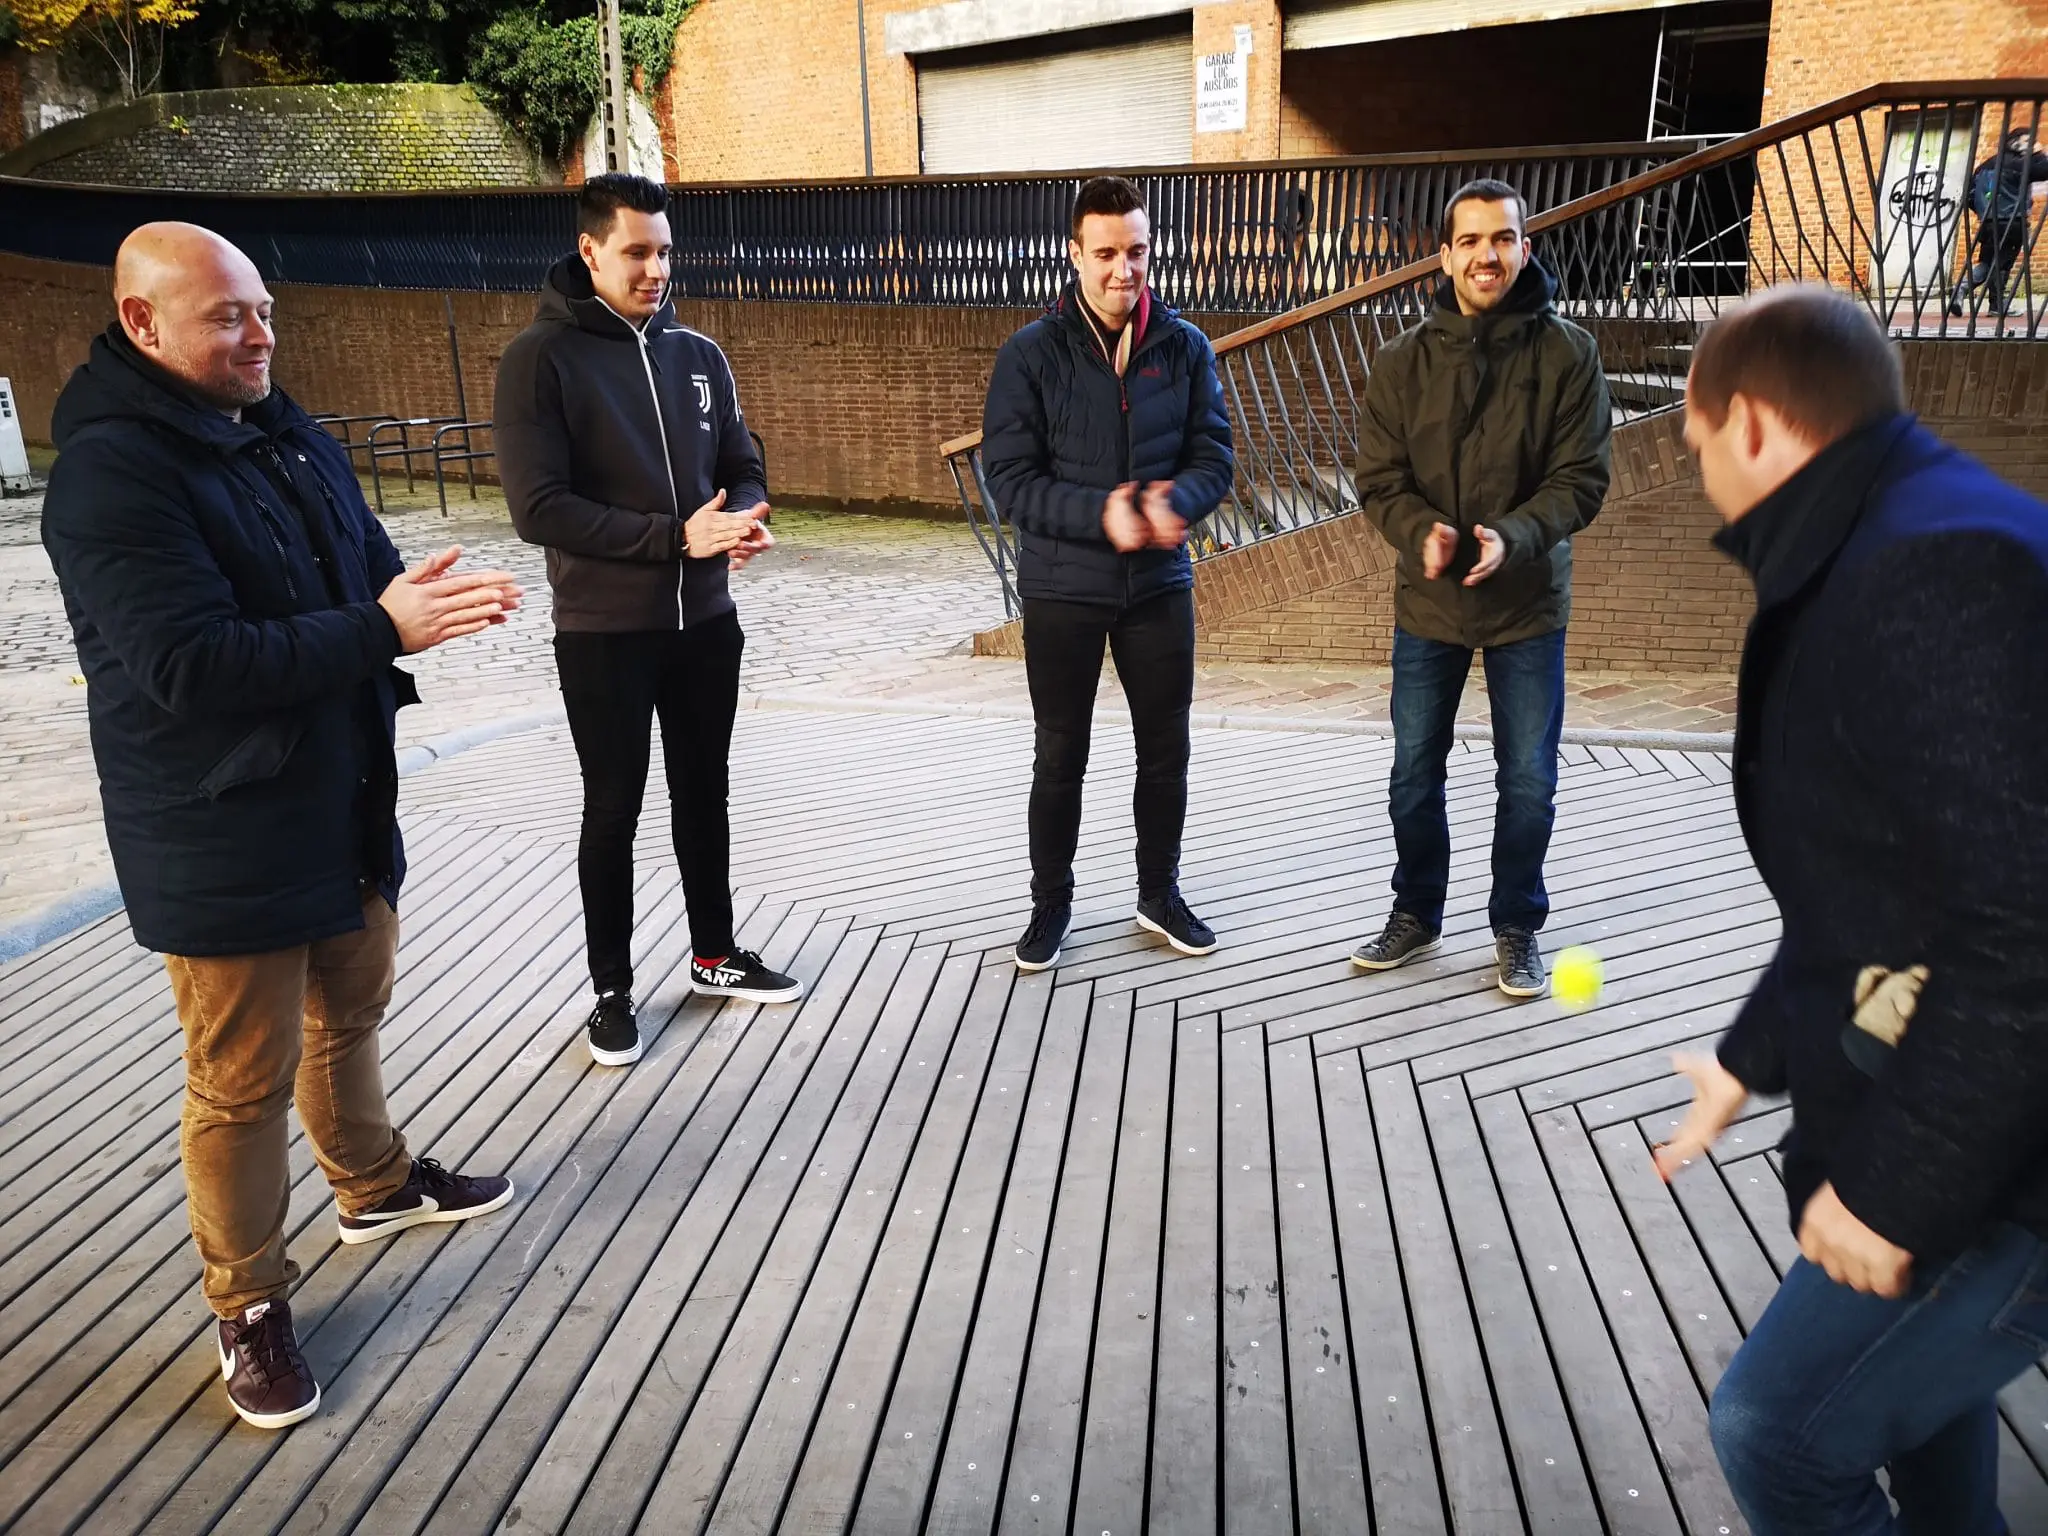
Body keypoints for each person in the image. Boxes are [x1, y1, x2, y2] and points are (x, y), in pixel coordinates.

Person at [40, 223, 521, 1430]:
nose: (260, 335)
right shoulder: (110, 473)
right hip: (219, 826)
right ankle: (247, 1302)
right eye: (228, 317)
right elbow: (190, 666)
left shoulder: (279, 424)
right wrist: (384, 629)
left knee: (348, 1007)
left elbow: (364, 562)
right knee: (240, 1082)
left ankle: (370, 1184)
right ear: (144, 323)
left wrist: (410, 596)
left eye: (263, 310)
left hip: (340, 790)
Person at [1657, 285, 2048, 1535]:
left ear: (1752, 422)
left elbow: (2025, 930)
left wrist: (1891, 1194)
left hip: (2002, 1154)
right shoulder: (1900, 534)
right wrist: (1748, 1055)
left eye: (1697, 444)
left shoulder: (1932, 571)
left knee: (1775, 1434)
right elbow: (1885, 889)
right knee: (1913, 1426)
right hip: (1966, 1108)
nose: (1702, 477)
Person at [497, 172, 802, 1069]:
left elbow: (743, 462)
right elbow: (538, 508)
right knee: (613, 808)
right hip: (604, 633)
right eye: (637, 252)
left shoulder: (698, 354)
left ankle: (714, 954)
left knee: (705, 793)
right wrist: (676, 538)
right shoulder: (539, 360)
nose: (656, 269)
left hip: (706, 624)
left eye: (665, 252)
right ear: (590, 251)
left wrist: (743, 518)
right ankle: (611, 991)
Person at [1348, 178, 1612, 998]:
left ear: (1525, 248)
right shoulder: (1401, 361)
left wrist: (1516, 536)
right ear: (1445, 256)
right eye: (1469, 241)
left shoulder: (1570, 353)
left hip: (1527, 603)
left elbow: (1582, 479)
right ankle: (1416, 913)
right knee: (1411, 776)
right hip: (1429, 605)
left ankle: (1516, 924)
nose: (1486, 255)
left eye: (1501, 239)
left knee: (1528, 781)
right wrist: (1416, 530)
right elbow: (1379, 479)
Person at [979, 175, 1235, 972]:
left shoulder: (1185, 348)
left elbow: (1215, 459)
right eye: (1107, 253)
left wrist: (1174, 503)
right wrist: (1106, 515)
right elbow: (1010, 481)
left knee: (1166, 752)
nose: (1125, 269)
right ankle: (1050, 904)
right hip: (1062, 590)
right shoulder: (1029, 353)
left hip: (1159, 587)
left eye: (1138, 251)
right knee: (1060, 756)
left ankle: (1159, 894)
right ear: (1075, 254)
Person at [1948, 126, 2048, 319]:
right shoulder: (2020, 165)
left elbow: (1969, 195)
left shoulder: (1986, 165)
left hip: (1988, 223)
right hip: (2012, 222)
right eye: (2027, 141)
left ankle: (1962, 289)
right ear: (2016, 144)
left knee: (1988, 262)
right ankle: (1995, 304)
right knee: (2002, 265)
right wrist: (2037, 152)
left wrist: (1984, 212)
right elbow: (2045, 170)